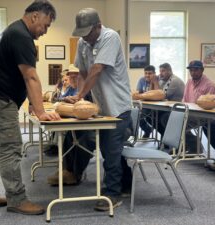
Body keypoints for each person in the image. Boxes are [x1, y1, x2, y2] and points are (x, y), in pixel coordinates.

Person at [0, 0, 60, 215]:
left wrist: (32, 103)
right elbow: (30, 76)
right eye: (46, 25)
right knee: (10, 146)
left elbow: (21, 76)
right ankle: (17, 199)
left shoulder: (14, 31)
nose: (45, 31)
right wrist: (40, 111)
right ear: (35, 16)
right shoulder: (21, 36)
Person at [65, 8, 133, 211]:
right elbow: (84, 72)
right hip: (101, 106)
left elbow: (97, 69)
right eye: (82, 32)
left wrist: (79, 96)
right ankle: (126, 183)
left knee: (110, 152)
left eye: (89, 32)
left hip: (118, 105)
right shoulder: (83, 42)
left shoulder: (110, 37)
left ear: (98, 26)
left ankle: (112, 194)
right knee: (108, 149)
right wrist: (81, 98)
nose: (85, 36)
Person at [182, 60, 215, 155]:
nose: (193, 73)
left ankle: (192, 147)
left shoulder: (210, 85)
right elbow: (184, 100)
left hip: (203, 116)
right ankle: (192, 146)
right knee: (168, 118)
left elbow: (210, 107)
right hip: (189, 113)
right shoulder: (189, 82)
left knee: (177, 122)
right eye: (191, 70)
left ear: (202, 70)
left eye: (196, 70)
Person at [156, 63, 185, 137]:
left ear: (170, 71)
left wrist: (155, 82)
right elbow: (155, 93)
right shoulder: (163, 80)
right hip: (167, 108)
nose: (160, 74)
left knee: (162, 118)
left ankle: (169, 139)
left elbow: (161, 96)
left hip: (178, 109)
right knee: (150, 116)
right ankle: (165, 137)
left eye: (163, 71)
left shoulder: (174, 80)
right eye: (160, 71)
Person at [134, 65, 157, 138]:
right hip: (144, 105)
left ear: (154, 74)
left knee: (138, 116)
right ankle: (148, 130)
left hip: (155, 107)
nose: (147, 75)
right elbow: (138, 93)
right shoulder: (142, 80)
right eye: (145, 73)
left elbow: (155, 93)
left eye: (149, 73)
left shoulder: (157, 80)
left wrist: (153, 83)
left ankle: (148, 130)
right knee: (135, 114)